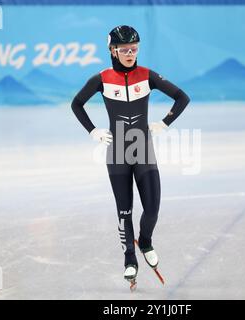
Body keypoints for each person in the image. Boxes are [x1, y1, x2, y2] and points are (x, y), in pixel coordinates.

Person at [71, 25, 190, 282]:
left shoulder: (147, 75)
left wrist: (164, 122)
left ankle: (145, 241)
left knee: (152, 209)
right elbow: (76, 104)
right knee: (124, 211)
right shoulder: (101, 78)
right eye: (124, 49)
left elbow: (182, 97)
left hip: (142, 148)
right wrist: (93, 131)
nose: (130, 53)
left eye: (134, 49)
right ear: (112, 50)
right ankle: (129, 257)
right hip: (117, 151)